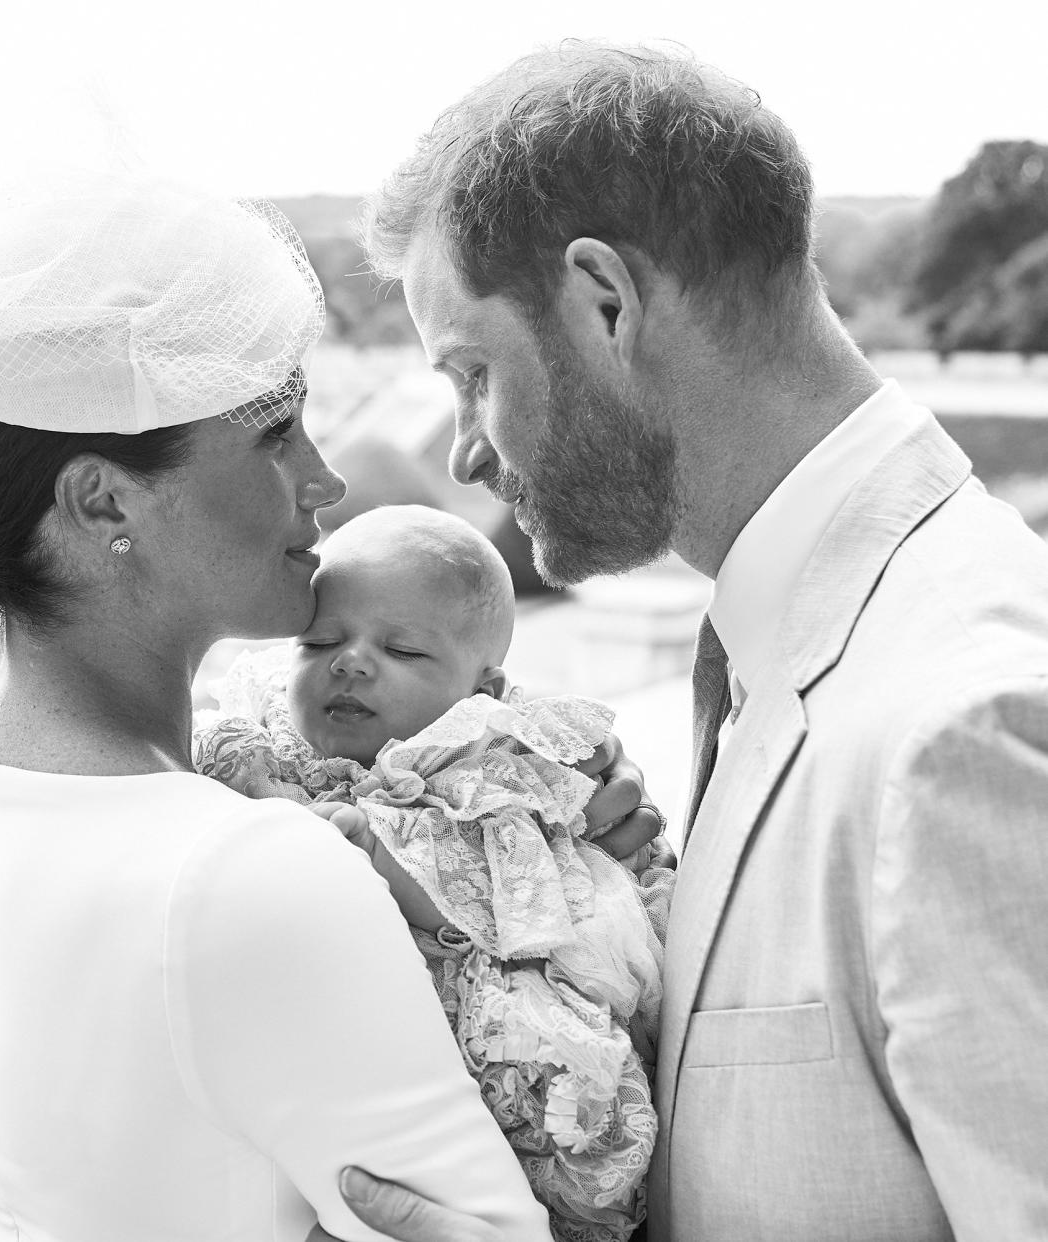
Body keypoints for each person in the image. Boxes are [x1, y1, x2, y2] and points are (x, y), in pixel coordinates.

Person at [0, 174, 658, 1242]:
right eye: (274, 435)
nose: (324, 481)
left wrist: (514, 802)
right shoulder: (258, 868)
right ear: (103, 500)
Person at [326, 39, 1048, 1242]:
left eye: (471, 371)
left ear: (604, 302)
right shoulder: (794, 647)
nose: (462, 451)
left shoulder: (967, 728)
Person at [194, 504, 675, 1242]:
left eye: (405, 652)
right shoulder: (264, 739)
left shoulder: (483, 767)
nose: (350, 660)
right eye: (320, 639)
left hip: (479, 1021)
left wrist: (369, 854)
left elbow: (484, 895)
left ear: (480, 695)